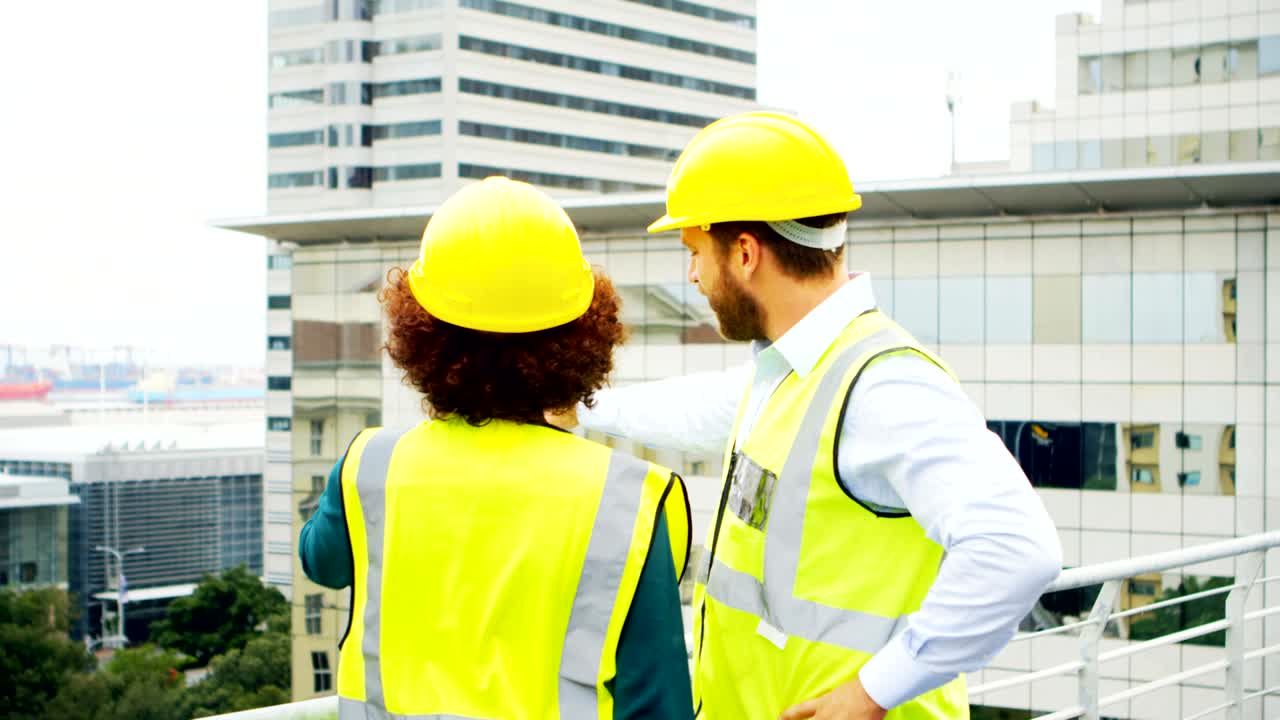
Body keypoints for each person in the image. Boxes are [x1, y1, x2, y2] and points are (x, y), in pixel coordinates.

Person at [555, 113, 1063, 719]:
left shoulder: (884, 385)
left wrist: (870, 694)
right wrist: (583, 409)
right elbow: (709, 407)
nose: (691, 274)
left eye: (694, 252)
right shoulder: (796, 372)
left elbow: (1018, 549)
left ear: (744, 252)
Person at [299, 176, 694, 720]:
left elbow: (321, 561)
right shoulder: (628, 498)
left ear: (422, 332)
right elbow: (657, 702)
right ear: (583, 336)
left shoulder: (370, 465)